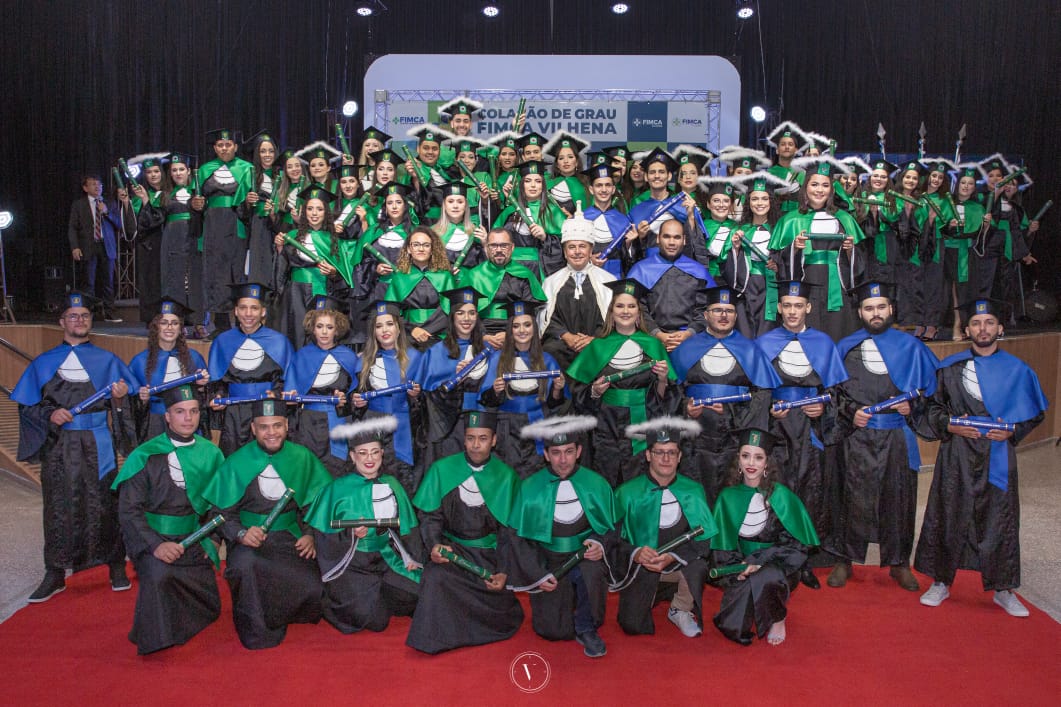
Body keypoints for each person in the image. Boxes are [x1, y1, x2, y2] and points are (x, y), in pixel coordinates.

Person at [914, 299, 1048, 617]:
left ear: (999, 328)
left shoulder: (1017, 370)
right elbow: (931, 409)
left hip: (997, 454)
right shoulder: (950, 368)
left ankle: (1003, 589)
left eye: (989, 323)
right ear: (967, 330)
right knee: (949, 512)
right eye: (976, 323)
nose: (983, 328)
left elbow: (1035, 412)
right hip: (957, 453)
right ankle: (941, 582)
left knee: (1000, 518)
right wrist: (950, 425)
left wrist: (1011, 431)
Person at [14, 292, 137, 602]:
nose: (79, 320)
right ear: (62, 322)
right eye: (73, 316)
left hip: (98, 440)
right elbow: (28, 406)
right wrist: (49, 414)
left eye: (84, 316)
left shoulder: (107, 361)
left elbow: (127, 403)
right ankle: (55, 572)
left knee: (106, 502)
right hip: (60, 444)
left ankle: (115, 564)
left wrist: (120, 399)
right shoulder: (44, 362)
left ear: (90, 321)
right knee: (58, 505)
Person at [827, 281, 939, 591]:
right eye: (869, 308)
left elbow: (933, 392)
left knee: (898, 499)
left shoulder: (912, 347)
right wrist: (851, 412)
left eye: (881, 307)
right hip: (856, 436)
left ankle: (899, 562)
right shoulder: (846, 347)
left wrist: (912, 406)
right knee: (850, 497)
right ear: (860, 312)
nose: (875, 313)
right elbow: (833, 393)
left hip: (896, 436)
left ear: (891, 309)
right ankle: (844, 559)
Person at [202, 398, 332, 649]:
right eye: (264, 427)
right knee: (244, 567)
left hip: (289, 536)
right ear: (253, 428)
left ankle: (278, 611)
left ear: (286, 426)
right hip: (249, 541)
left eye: (277, 425)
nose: (271, 432)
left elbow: (316, 505)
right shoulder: (237, 461)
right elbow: (221, 514)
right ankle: (257, 630)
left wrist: (310, 535)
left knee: (315, 591)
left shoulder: (302, 457)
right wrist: (240, 534)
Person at [111, 385, 225, 654]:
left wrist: (213, 540)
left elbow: (222, 505)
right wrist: (156, 545)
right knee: (159, 576)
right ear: (167, 416)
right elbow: (129, 511)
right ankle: (157, 637)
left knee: (209, 603)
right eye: (180, 412)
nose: (188, 418)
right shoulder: (144, 455)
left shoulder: (212, 454)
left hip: (194, 539)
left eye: (194, 411)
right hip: (154, 538)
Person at [756, 280, 849, 588]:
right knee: (778, 491)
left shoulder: (823, 343)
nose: (792, 311)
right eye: (787, 305)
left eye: (798, 306)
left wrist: (823, 409)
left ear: (808, 307)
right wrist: (769, 408)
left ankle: (804, 559)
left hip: (811, 430)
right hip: (778, 429)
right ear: (779, 308)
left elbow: (837, 392)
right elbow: (756, 390)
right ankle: (778, 558)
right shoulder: (765, 343)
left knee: (810, 490)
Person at [407, 410, 523, 654]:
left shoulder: (506, 477)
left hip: (487, 556)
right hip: (453, 552)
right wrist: (434, 545)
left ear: (494, 440)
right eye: (470, 438)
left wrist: (503, 571)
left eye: (483, 438)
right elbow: (430, 516)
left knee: (499, 604)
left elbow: (508, 533)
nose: (476, 445)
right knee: (435, 578)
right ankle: (435, 640)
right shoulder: (442, 469)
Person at [503, 416, 616, 658]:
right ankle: (565, 604)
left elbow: (612, 526)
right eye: (556, 453)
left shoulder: (596, 484)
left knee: (591, 573)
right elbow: (517, 539)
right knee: (553, 631)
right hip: (548, 561)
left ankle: (586, 626)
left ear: (579, 452)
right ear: (546, 454)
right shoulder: (530, 487)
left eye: (568, 452)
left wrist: (600, 544)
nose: (563, 460)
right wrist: (537, 574)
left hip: (583, 557)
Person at [303, 416, 422, 634]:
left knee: (418, 593)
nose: (370, 458)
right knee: (376, 621)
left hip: (386, 558)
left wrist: (411, 558)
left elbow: (408, 529)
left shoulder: (393, 484)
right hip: (352, 564)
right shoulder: (336, 489)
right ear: (352, 456)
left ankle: (379, 593)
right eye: (363, 453)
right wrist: (350, 535)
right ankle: (351, 600)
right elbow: (322, 537)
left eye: (375, 452)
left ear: (382, 454)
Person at [670, 285, 781, 504]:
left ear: (736, 316)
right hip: (695, 439)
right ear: (705, 315)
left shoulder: (749, 349)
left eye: (729, 311)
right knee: (697, 495)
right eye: (717, 310)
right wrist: (686, 409)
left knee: (732, 497)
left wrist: (732, 413)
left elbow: (762, 394)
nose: (723, 315)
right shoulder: (686, 348)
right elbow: (672, 391)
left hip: (734, 438)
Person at [710, 428, 819, 645]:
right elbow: (722, 547)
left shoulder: (782, 496)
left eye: (758, 457)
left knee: (767, 577)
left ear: (767, 463)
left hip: (778, 566)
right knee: (731, 626)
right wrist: (738, 569)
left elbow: (797, 547)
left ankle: (778, 617)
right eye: (745, 455)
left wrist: (760, 560)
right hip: (742, 566)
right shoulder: (727, 497)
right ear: (738, 460)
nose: (751, 463)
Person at [566, 279, 677, 487]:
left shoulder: (654, 345)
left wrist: (663, 379)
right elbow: (578, 394)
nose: (625, 311)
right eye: (620, 306)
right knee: (606, 482)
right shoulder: (598, 346)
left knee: (641, 486)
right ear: (611, 312)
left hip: (644, 427)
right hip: (606, 428)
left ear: (639, 312)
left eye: (631, 306)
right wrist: (595, 392)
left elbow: (667, 399)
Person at [613, 417, 717, 637]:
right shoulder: (626, 493)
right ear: (648, 455)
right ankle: (652, 594)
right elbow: (611, 541)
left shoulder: (693, 490)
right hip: (641, 568)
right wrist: (635, 553)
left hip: (678, 566)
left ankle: (680, 607)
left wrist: (672, 557)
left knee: (698, 567)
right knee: (632, 626)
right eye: (659, 452)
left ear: (679, 457)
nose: (666, 458)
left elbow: (705, 541)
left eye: (672, 452)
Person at [769, 157, 865, 341]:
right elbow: (778, 261)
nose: (819, 190)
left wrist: (850, 250)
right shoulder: (790, 219)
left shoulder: (844, 218)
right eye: (814, 184)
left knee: (838, 332)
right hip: (806, 282)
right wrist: (794, 249)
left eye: (825, 185)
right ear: (805, 187)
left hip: (837, 286)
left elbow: (860, 262)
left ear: (831, 189)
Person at [478, 300, 566, 479]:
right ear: (510, 330)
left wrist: (557, 389)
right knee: (507, 478)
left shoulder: (547, 359)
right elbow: (486, 401)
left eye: (527, 325)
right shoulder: (497, 359)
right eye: (516, 326)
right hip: (506, 430)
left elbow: (554, 404)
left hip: (538, 426)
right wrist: (495, 390)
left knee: (536, 478)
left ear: (534, 327)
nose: (522, 330)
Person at [207, 283, 294, 455]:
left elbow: (287, 380)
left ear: (263, 312)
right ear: (236, 311)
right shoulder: (222, 341)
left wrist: (276, 394)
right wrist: (218, 397)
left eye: (254, 308)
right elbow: (217, 381)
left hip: (267, 410)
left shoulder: (279, 342)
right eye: (243, 308)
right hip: (234, 414)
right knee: (234, 459)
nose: (248, 313)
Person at [410, 286, 491, 466]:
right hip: (449, 428)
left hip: (482, 425)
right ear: (452, 317)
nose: (466, 318)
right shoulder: (436, 351)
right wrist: (454, 381)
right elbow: (426, 399)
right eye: (460, 313)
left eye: (472, 313)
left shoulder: (488, 350)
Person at [349, 301, 423, 494]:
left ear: (399, 327)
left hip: (406, 426)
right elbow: (354, 395)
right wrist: (357, 401)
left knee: (404, 480)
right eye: (378, 326)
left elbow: (427, 402)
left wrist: (416, 396)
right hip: (374, 425)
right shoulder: (364, 360)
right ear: (373, 331)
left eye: (389, 324)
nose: (384, 330)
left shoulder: (415, 357)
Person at [189, 128, 254, 334]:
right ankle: (221, 323)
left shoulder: (247, 169)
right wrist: (196, 205)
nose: (224, 148)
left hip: (237, 223)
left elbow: (251, 200)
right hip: (212, 225)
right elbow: (196, 199)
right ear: (215, 148)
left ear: (235, 147)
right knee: (216, 273)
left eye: (228, 145)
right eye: (220, 145)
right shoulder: (205, 170)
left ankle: (243, 322)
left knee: (237, 271)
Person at [284, 297, 360, 476]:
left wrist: (346, 401)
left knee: (337, 469)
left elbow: (356, 396)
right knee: (309, 470)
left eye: (329, 327)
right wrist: (290, 398)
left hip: (338, 421)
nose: (324, 332)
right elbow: (290, 394)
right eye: (319, 326)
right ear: (312, 328)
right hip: (308, 423)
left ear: (337, 329)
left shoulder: (349, 356)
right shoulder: (301, 356)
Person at [539, 205, 617, 368]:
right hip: (562, 345)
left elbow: (612, 318)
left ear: (591, 250)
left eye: (582, 246)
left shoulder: (608, 280)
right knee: (549, 351)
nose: (577, 252)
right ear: (564, 252)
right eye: (571, 247)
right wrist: (566, 336)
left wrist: (593, 339)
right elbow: (547, 319)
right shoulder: (551, 282)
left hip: (596, 343)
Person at [128, 298, 209, 442]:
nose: (169, 327)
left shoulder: (194, 358)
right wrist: (142, 399)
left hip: (186, 422)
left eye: (175, 323)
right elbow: (130, 403)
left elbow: (203, 399)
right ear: (156, 327)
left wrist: (201, 387)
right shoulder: (140, 361)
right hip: (155, 424)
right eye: (164, 323)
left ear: (180, 328)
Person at [627, 218, 713, 352]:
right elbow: (637, 308)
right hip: (649, 340)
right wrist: (658, 334)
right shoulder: (640, 270)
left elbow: (706, 308)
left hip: (692, 340)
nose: (671, 242)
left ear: (684, 240)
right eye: (666, 237)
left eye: (677, 237)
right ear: (658, 239)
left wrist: (688, 333)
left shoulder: (699, 272)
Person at [459, 227, 546, 349]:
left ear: (512, 247)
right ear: (486, 248)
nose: (499, 250)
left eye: (504, 245)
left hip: (517, 331)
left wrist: (510, 334)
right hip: (479, 331)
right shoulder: (474, 275)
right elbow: (462, 313)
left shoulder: (525, 274)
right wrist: (481, 336)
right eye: (493, 246)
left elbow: (530, 312)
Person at [384, 226, 458, 350]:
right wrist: (413, 329)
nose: (421, 249)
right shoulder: (400, 277)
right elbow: (391, 311)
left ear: (432, 249)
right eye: (416, 245)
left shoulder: (445, 276)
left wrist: (426, 330)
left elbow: (451, 309)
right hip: (408, 335)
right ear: (409, 249)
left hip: (439, 334)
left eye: (426, 245)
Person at [68, 174, 127, 322]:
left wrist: (106, 212)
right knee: (89, 281)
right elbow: (72, 227)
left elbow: (119, 224)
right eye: (93, 184)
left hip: (107, 246)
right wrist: (75, 247)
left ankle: (109, 312)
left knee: (108, 281)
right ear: (85, 188)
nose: (97, 187)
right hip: (88, 246)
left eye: (99, 184)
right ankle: (87, 313)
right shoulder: (79, 204)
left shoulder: (110, 203)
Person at [580, 163, 635, 278]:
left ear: (613, 189)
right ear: (591, 189)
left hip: (615, 276)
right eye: (599, 185)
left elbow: (628, 260)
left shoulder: (623, 220)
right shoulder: (581, 218)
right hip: (587, 275)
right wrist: (588, 259)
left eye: (608, 185)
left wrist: (629, 244)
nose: (604, 190)